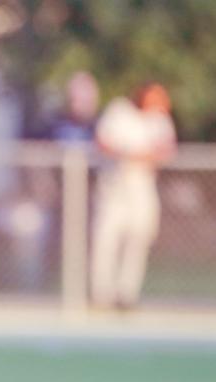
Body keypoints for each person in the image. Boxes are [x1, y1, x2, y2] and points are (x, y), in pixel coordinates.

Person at [90, 83, 177, 310]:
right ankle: (102, 294)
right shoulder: (119, 111)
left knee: (139, 237)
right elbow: (103, 142)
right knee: (106, 238)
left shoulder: (159, 120)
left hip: (142, 187)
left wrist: (142, 157)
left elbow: (166, 150)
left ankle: (126, 293)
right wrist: (129, 155)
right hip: (114, 187)